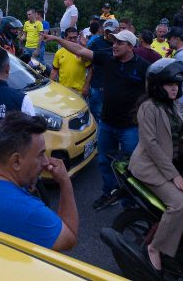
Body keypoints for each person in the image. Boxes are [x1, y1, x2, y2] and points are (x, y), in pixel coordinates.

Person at [42, 30, 149, 210]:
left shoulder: (144, 67)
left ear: (131, 46)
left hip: (130, 126)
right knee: (104, 162)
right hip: (106, 123)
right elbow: (79, 50)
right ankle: (109, 193)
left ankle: (130, 203)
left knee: (131, 166)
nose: (114, 45)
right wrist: (56, 39)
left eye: (119, 43)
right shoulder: (108, 58)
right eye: (114, 42)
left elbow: (151, 94)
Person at [0, 112, 78, 250]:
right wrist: (65, 182)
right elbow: (70, 237)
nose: (45, 161)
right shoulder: (28, 210)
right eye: (40, 154)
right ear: (16, 161)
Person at [128, 59, 183, 272]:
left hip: (170, 163)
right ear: (157, 85)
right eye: (169, 84)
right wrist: (175, 176)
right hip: (149, 166)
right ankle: (155, 248)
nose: (174, 88)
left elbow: (181, 135)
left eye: (177, 84)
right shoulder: (148, 107)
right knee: (180, 205)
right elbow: (151, 145)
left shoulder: (171, 105)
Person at [86, 22, 115, 120]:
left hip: (114, 84)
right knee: (96, 113)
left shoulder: (120, 42)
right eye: (107, 30)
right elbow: (86, 61)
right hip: (98, 84)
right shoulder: (96, 42)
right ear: (103, 30)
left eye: (111, 31)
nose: (108, 33)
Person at [51, 27, 91, 94]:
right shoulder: (59, 52)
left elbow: (90, 70)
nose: (73, 40)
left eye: (75, 37)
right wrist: (50, 86)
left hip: (78, 91)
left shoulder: (82, 51)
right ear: (65, 38)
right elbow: (54, 71)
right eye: (70, 38)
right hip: (63, 90)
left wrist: (86, 86)